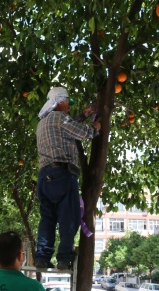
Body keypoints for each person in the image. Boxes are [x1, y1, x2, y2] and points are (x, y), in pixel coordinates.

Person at [34, 87, 101, 270]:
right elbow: (83, 133)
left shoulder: (43, 123)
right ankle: (64, 258)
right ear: (60, 102)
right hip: (62, 174)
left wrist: (83, 114)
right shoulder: (60, 118)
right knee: (68, 217)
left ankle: (42, 256)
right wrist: (94, 127)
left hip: (44, 177)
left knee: (47, 219)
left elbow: (66, 129)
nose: (69, 107)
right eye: (68, 103)